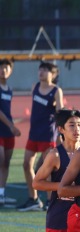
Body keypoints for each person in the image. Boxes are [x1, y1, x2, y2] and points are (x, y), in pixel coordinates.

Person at [18, 62, 64, 212]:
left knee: (48, 169)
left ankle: (51, 201)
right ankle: (34, 199)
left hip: (48, 135)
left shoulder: (56, 91)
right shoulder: (35, 87)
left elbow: (60, 113)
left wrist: (61, 134)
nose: (41, 72)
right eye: (40, 69)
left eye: (45, 70)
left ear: (53, 74)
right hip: (33, 134)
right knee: (26, 165)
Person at [0, 58, 21, 207]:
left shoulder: (9, 89)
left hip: (8, 131)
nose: (3, 70)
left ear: (10, 71)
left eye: (6, 68)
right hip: (4, 129)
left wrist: (11, 127)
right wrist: (11, 125)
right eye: (1, 68)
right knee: (0, 160)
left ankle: (1, 194)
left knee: (6, 163)